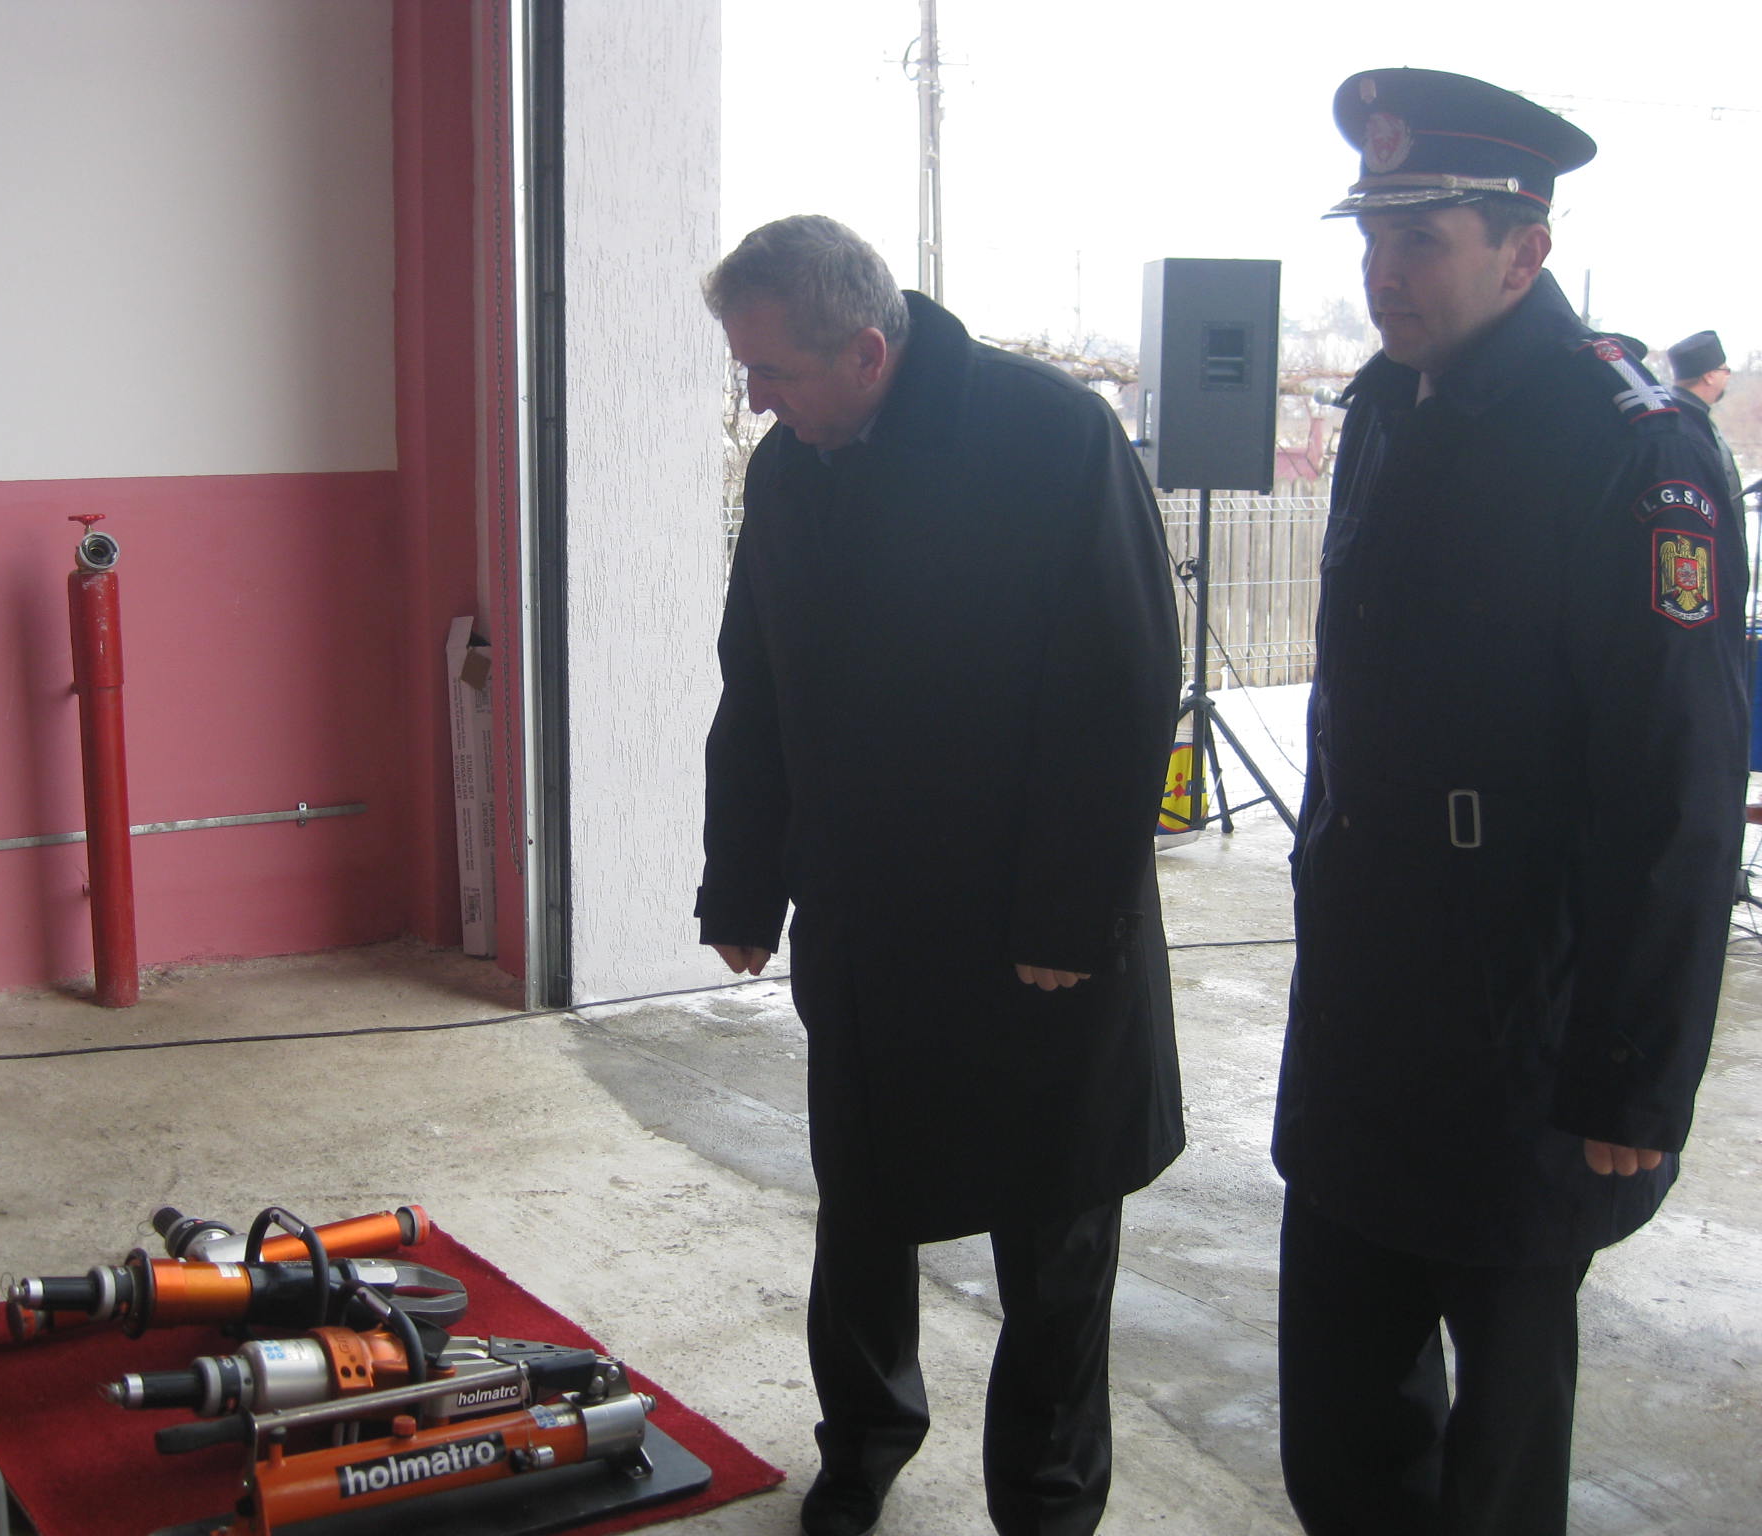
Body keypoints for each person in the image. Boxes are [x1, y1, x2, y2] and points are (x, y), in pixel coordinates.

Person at [1275, 69, 1750, 1536]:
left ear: (1523, 250)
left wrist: (1632, 1073)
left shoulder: (1628, 442)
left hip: (1517, 1027)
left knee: (1498, 1448)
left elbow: (1676, 784)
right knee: (1338, 1424)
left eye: (1421, 241)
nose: (1383, 273)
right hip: (1363, 1009)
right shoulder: (1385, 407)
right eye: (1372, 239)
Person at [695, 215, 1183, 1536]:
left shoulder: (1051, 438)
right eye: (746, 373)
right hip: (868, 917)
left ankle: (1047, 1496)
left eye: (774, 372)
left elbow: (1121, 683)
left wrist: (1067, 915)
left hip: (1034, 925)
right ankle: (862, 1441)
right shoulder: (794, 467)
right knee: (863, 1208)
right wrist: (741, 882)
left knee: (1052, 1228)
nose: (758, 401)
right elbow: (759, 682)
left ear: (867, 352)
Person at [1666, 328, 1743, 506]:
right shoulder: (1682, 425)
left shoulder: (1689, 417)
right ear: (1709, 376)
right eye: (1725, 370)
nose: (1727, 377)